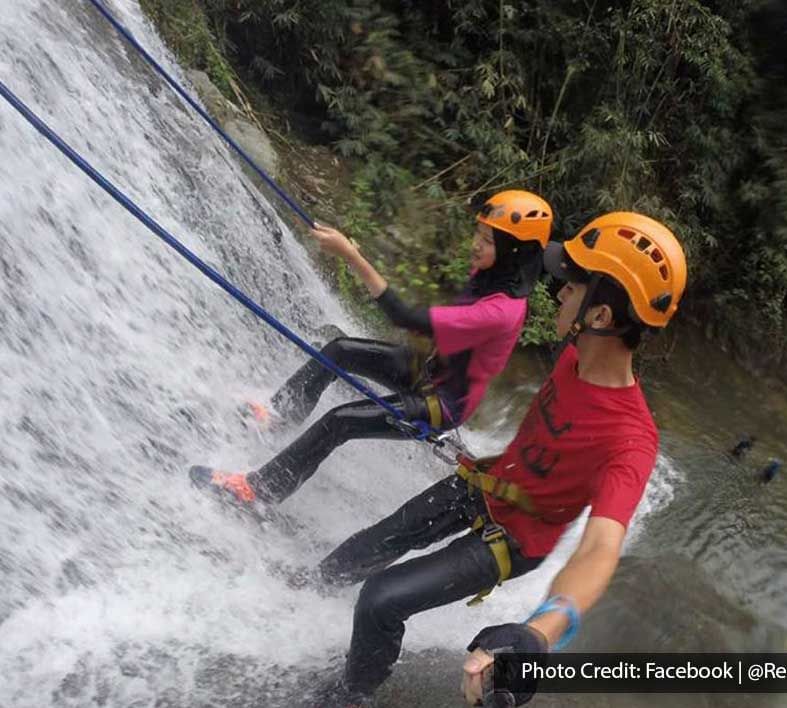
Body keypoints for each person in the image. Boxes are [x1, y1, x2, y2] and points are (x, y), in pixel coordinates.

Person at [309, 211, 688, 707]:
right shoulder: (574, 357)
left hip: (510, 540)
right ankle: (306, 590)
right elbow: (541, 443)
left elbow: (599, 549)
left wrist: (541, 633)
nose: (557, 293)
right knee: (365, 547)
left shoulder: (632, 440)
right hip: (481, 486)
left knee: (382, 598)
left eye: (571, 286)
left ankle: (348, 696)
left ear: (600, 317)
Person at [189, 189, 552, 506]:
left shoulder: (499, 312)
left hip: (439, 403)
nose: (475, 244)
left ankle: (260, 490)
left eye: (487, 241)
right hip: (427, 369)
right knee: (339, 350)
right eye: (479, 234)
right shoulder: (493, 276)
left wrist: (351, 256)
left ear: (512, 254)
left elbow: (403, 316)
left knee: (341, 421)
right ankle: (282, 415)